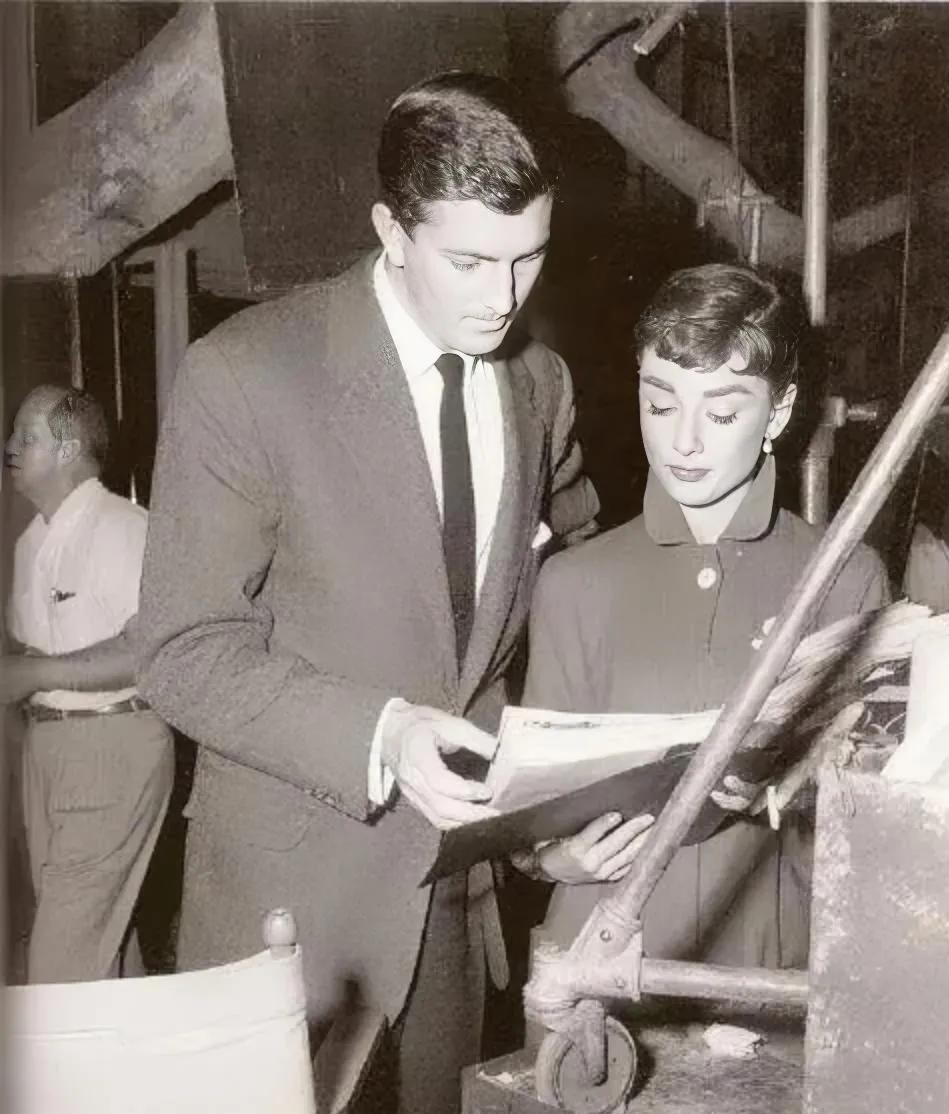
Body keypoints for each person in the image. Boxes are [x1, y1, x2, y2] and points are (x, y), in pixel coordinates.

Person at [137, 72, 598, 1113]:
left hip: (453, 908)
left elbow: (562, 558)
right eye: (469, 261)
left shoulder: (540, 385)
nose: (503, 296)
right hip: (288, 911)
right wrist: (381, 732)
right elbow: (179, 650)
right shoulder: (247, 374)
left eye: (529, 256)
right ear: (391, 230)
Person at [518, 263, 889, 970]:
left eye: (721, 414)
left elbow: (873, 824)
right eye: (661, 406)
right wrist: (550, 859)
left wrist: (791, 789)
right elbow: (532, 808)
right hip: (598, 964)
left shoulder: (844, 578)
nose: (684, 442)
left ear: (778, 413)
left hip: (769, 970)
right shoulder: (573, 584)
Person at [2, 385, 174, 983]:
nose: (10, 447)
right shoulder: (29, 543)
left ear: (69, 449)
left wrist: (32, 673)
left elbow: (151, 649)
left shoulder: (122, 528)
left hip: (112, 743)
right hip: (48, 752)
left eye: (26, 437)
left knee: (59, 967)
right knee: (103, 948)